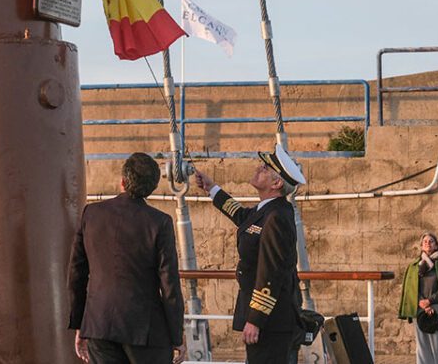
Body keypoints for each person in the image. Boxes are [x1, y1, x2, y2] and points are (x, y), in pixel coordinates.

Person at [67, 153, 186, 364]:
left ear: (122, 180)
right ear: (152, 188)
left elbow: (77, 273)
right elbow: (169, 284)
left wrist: (80, 324)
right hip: (146, 329)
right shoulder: (160, 223)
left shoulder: (91, 214)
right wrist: (177, 335)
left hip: (99, 325)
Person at [195, 144, 305, 364]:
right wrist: (212, 188)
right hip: (267, 318)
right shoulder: (266, 210)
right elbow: (242, 216)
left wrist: (256, 319)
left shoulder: (277, 217)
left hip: (272, 320)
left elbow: (271, 272)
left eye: (265, 169)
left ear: (276, 183)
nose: (258, 168)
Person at [398, 232, 438, 364]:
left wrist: (429, 301)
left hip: (437, 307)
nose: (428, 243)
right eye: (425, 241)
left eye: (431, 241)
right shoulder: (414, 267)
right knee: (422, 344)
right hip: (419, 307)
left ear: (436, 245)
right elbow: (411, 288)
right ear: (421, 246)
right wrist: (422, 302)